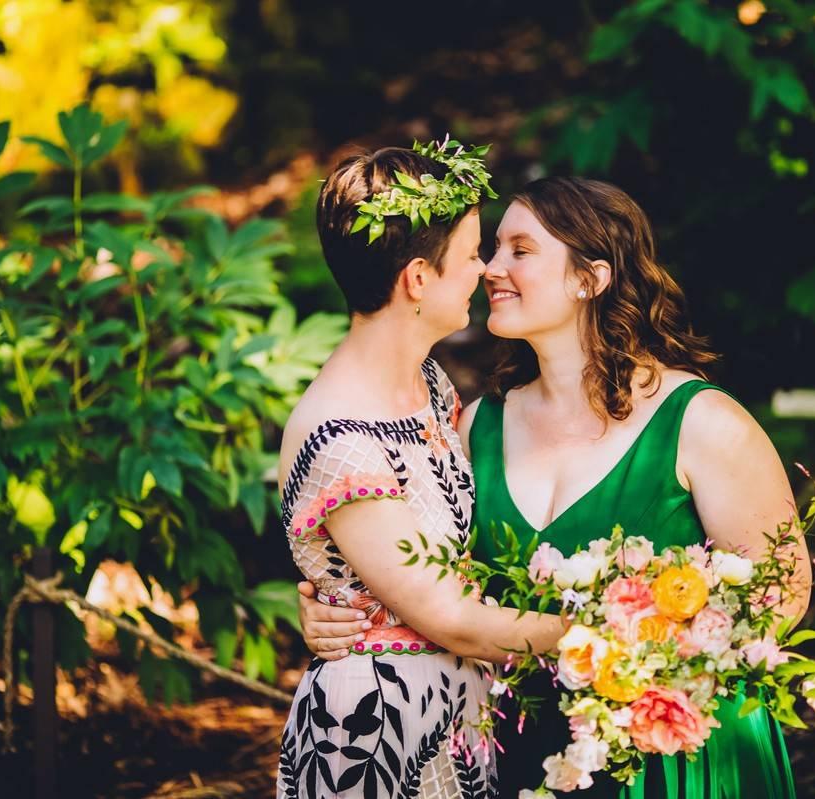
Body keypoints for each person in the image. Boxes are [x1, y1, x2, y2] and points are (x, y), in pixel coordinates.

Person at [298, 176, 809, 798]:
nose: (490, 268)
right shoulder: (474, 424)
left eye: (520, 250)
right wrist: (342, 608)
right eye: (490, 249)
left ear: (589, 279)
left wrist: (654, 663)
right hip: (526, 758)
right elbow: (424, 569)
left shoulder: (701, 422)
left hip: (680, 755)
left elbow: (782, 593)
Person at [275, 142, 563, 799]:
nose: (487, 269)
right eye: (471, 255)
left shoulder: (428, 383)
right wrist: (603, 638)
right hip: (375, 730)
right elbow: (449, 614)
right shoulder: (340, 436)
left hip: (455, 713)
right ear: (417, 279)